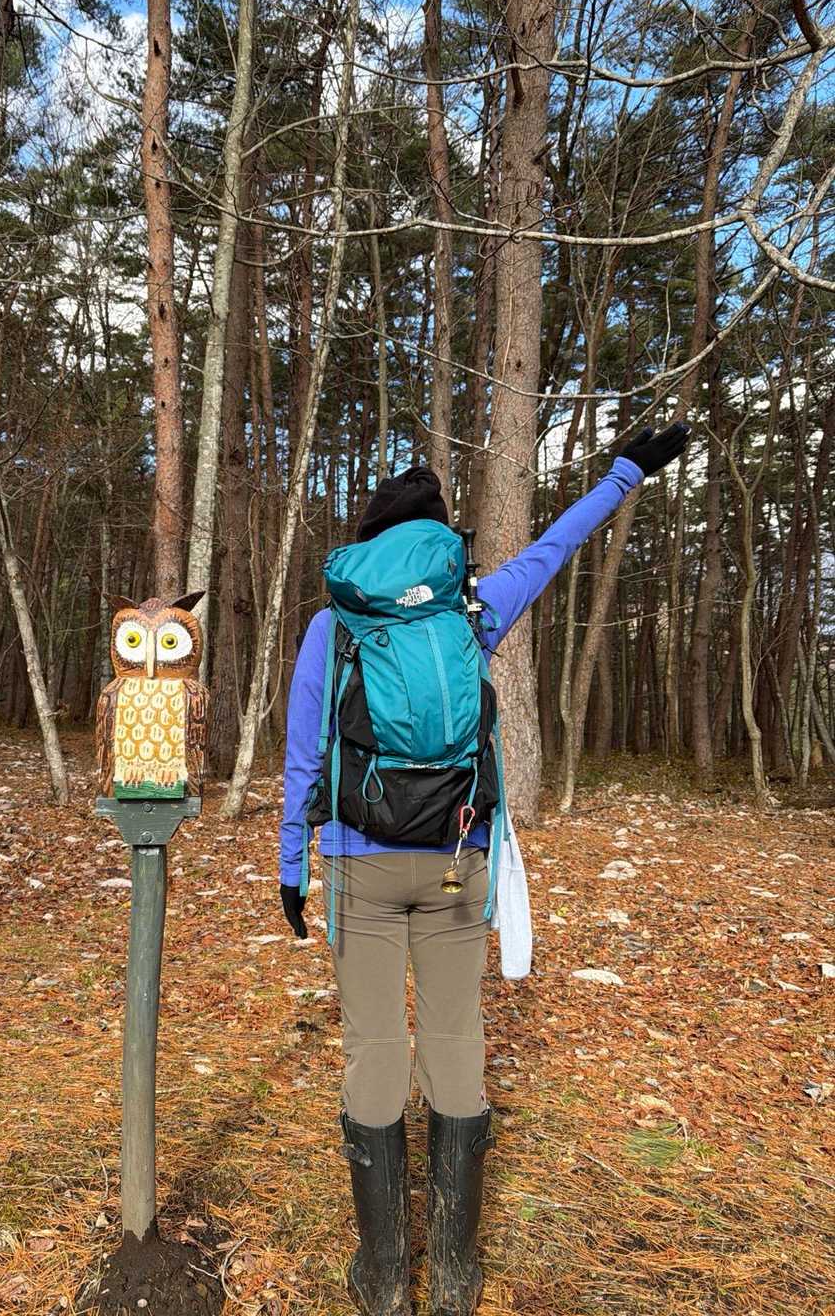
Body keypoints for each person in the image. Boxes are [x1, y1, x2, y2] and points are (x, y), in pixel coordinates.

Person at [277, 424, 690, 1316]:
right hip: (458, 860)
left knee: (375, 1048)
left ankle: (384, 1276)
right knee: (456, 1041)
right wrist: (626, 471)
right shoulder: (472, 609)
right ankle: (457, 1278)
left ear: (369, 540)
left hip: (358, 863)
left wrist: (290, 870)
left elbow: (304, 755)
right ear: (439, 538)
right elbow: (555, 547)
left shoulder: (334, 623)